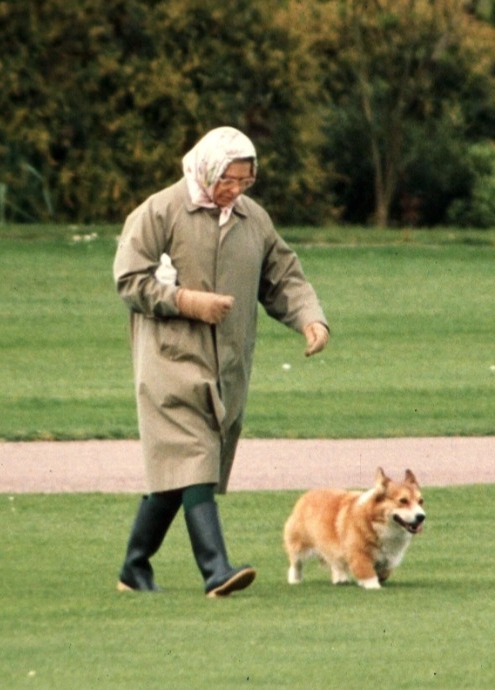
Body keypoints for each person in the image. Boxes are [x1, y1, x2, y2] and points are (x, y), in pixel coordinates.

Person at [112, 127, 329, 597]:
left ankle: (133, 567)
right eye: (228, 180)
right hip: (169, 360)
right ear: (208, 169)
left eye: (245, 181)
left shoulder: (253, 219)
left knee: (178, 473)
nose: (235, 190)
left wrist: (310, 319)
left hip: (227, 365)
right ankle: (216, 569)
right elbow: (129, 280)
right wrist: (187, 301)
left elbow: (283, 277)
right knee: (196, 457)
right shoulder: (159, 211)